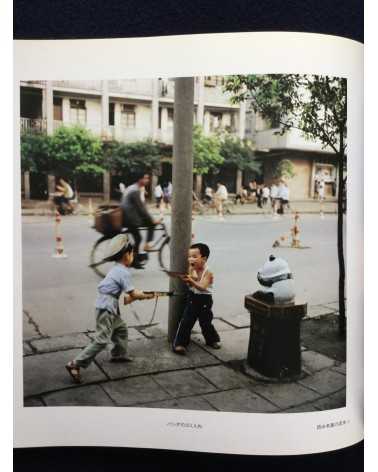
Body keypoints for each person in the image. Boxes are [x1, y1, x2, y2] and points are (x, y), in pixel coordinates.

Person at [65, 234, 155, 384]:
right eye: (132, 253)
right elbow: (132, 293)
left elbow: (126, 295)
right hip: (106, 307)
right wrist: (147, 295)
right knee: (101, 340)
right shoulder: (123, 272)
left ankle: (118, 354)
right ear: (127, 255)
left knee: (120, 329)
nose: (133, 256)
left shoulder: (117, 268)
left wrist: (137, 295)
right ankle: (75, 364)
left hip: (107, 304)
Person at [173, 243, 221, 354]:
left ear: (204, 259)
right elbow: (191, 285)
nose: (191, 259)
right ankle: (180, 344)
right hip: (192, 298)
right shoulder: (191, 268)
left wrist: (191, 281)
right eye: (189, 256)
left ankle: (212, 340)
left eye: (194, 256)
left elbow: (202, 287)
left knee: (206, 322)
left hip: (205, 300)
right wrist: (188, 280)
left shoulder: (208, 272)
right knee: (186, 321)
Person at [121, 172, 160, 269]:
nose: (147, 180)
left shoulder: (133, 188)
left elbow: (141, 207)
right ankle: (144, 248)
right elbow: (141, 209)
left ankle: (135, 258)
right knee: (149, 226)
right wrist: (152, 219)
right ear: (140, 180)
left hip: (129, 216)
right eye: (145, 178)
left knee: (137, 237)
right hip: (130, 218)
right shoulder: (135, 190)